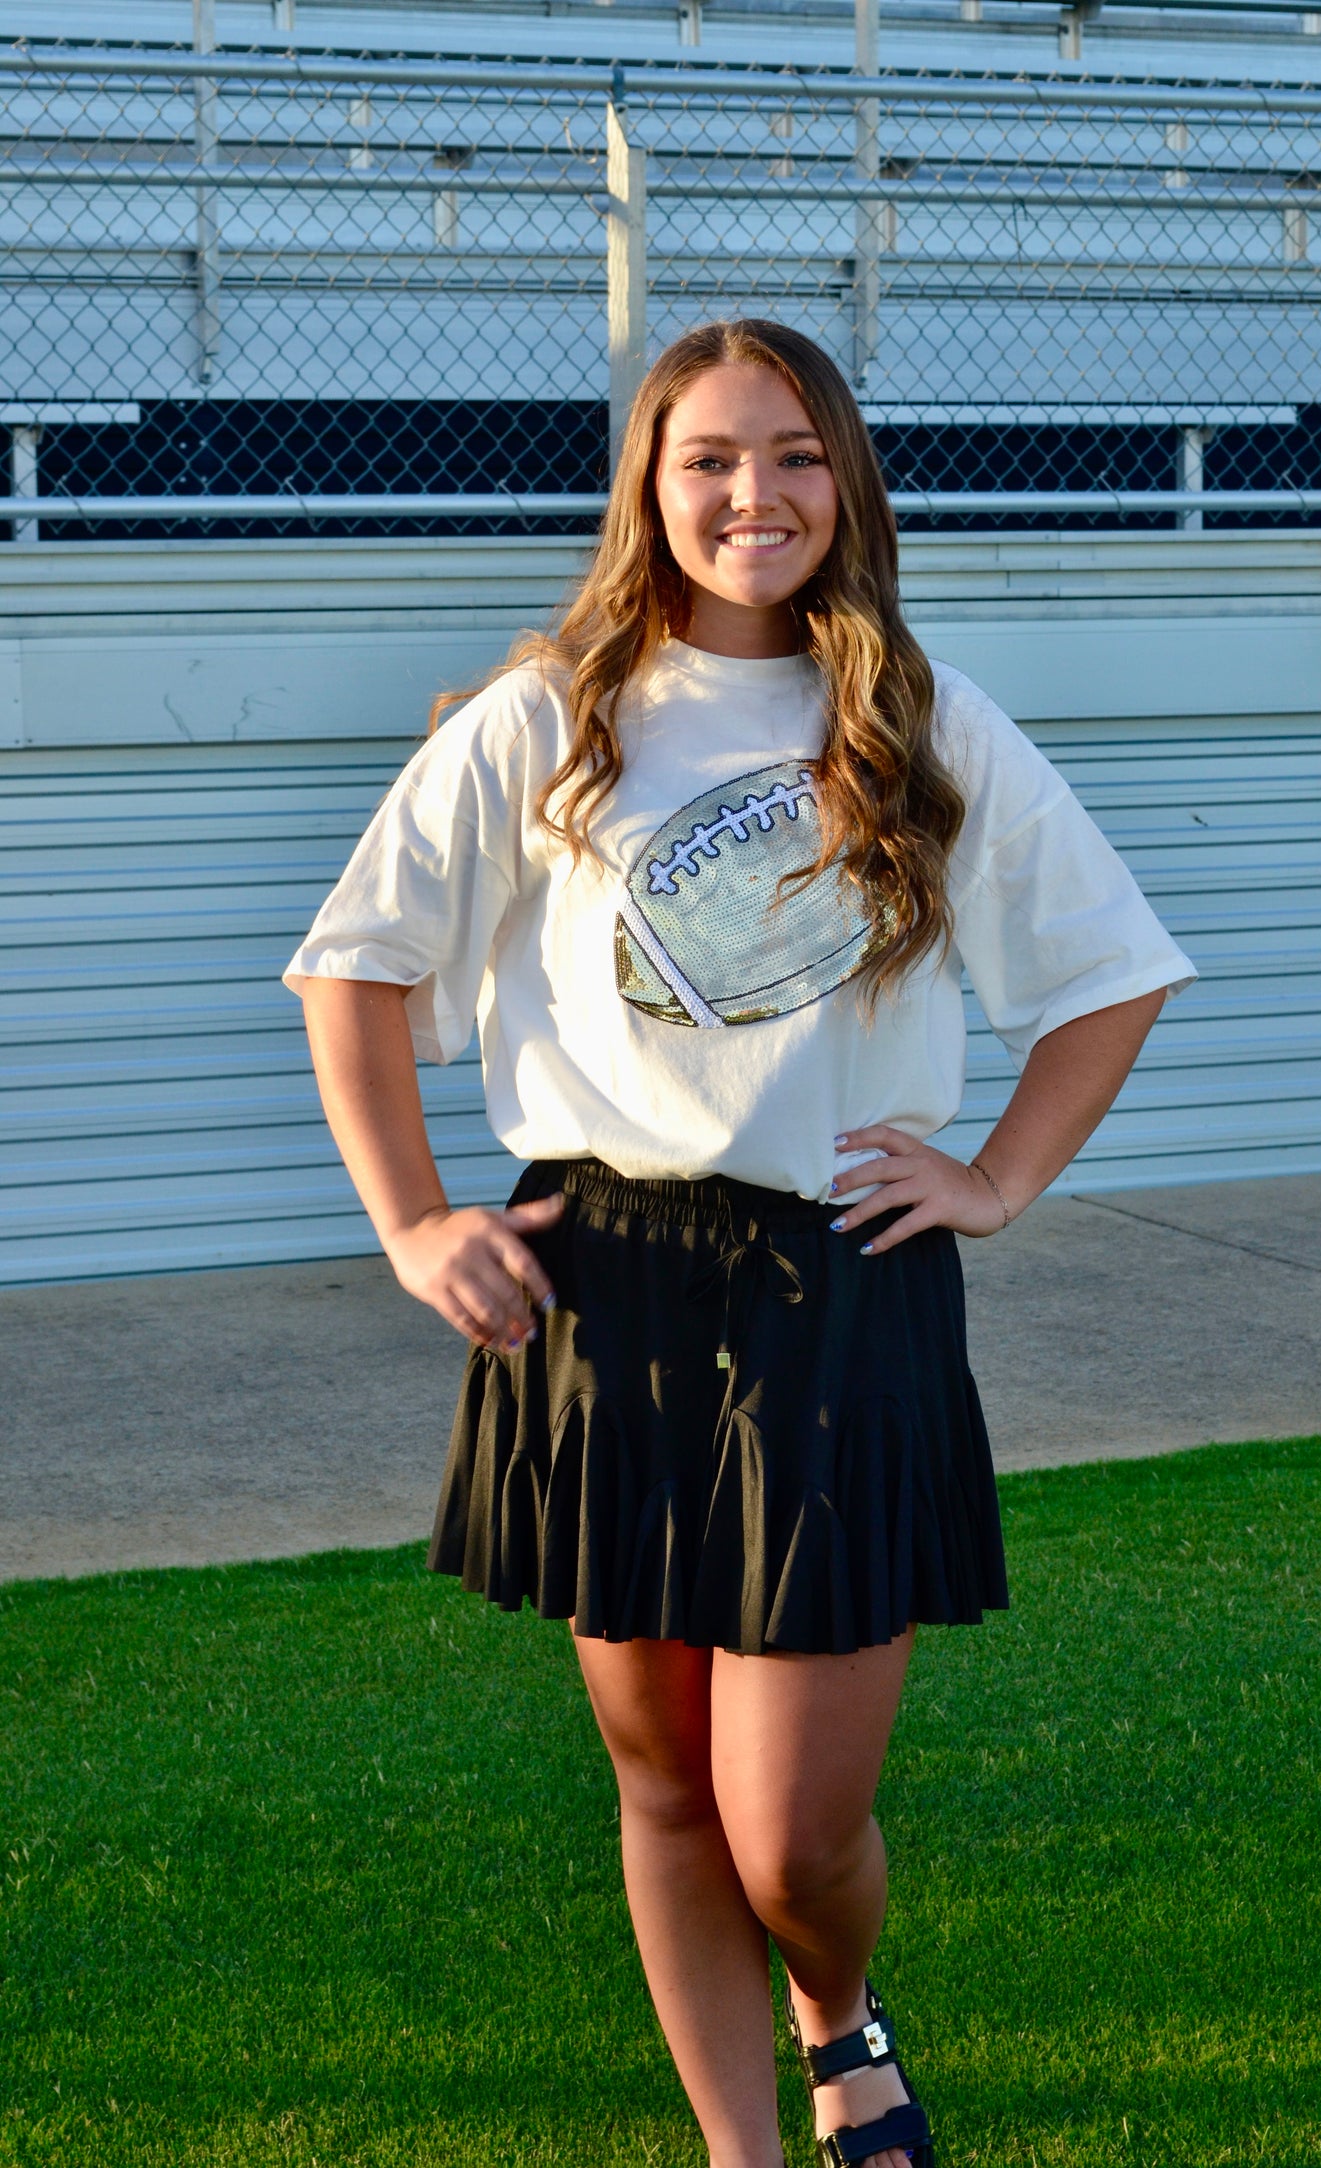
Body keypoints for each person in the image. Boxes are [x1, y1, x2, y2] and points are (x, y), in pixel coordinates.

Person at [284, 318, 1194, 2168]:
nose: (748, 494)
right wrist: (409, 1220)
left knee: (785, 1828)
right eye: (705, 457)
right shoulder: (549, 713)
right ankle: (743, 2148)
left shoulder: (919, 723)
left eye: (788, 453)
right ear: (648, 484)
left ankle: (837, 2010)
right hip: (596, 1278)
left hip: (838, 1278)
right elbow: (353, 964)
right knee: (663, 1780)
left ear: (842, 479)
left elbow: (1110, 977)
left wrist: (995, 1179)